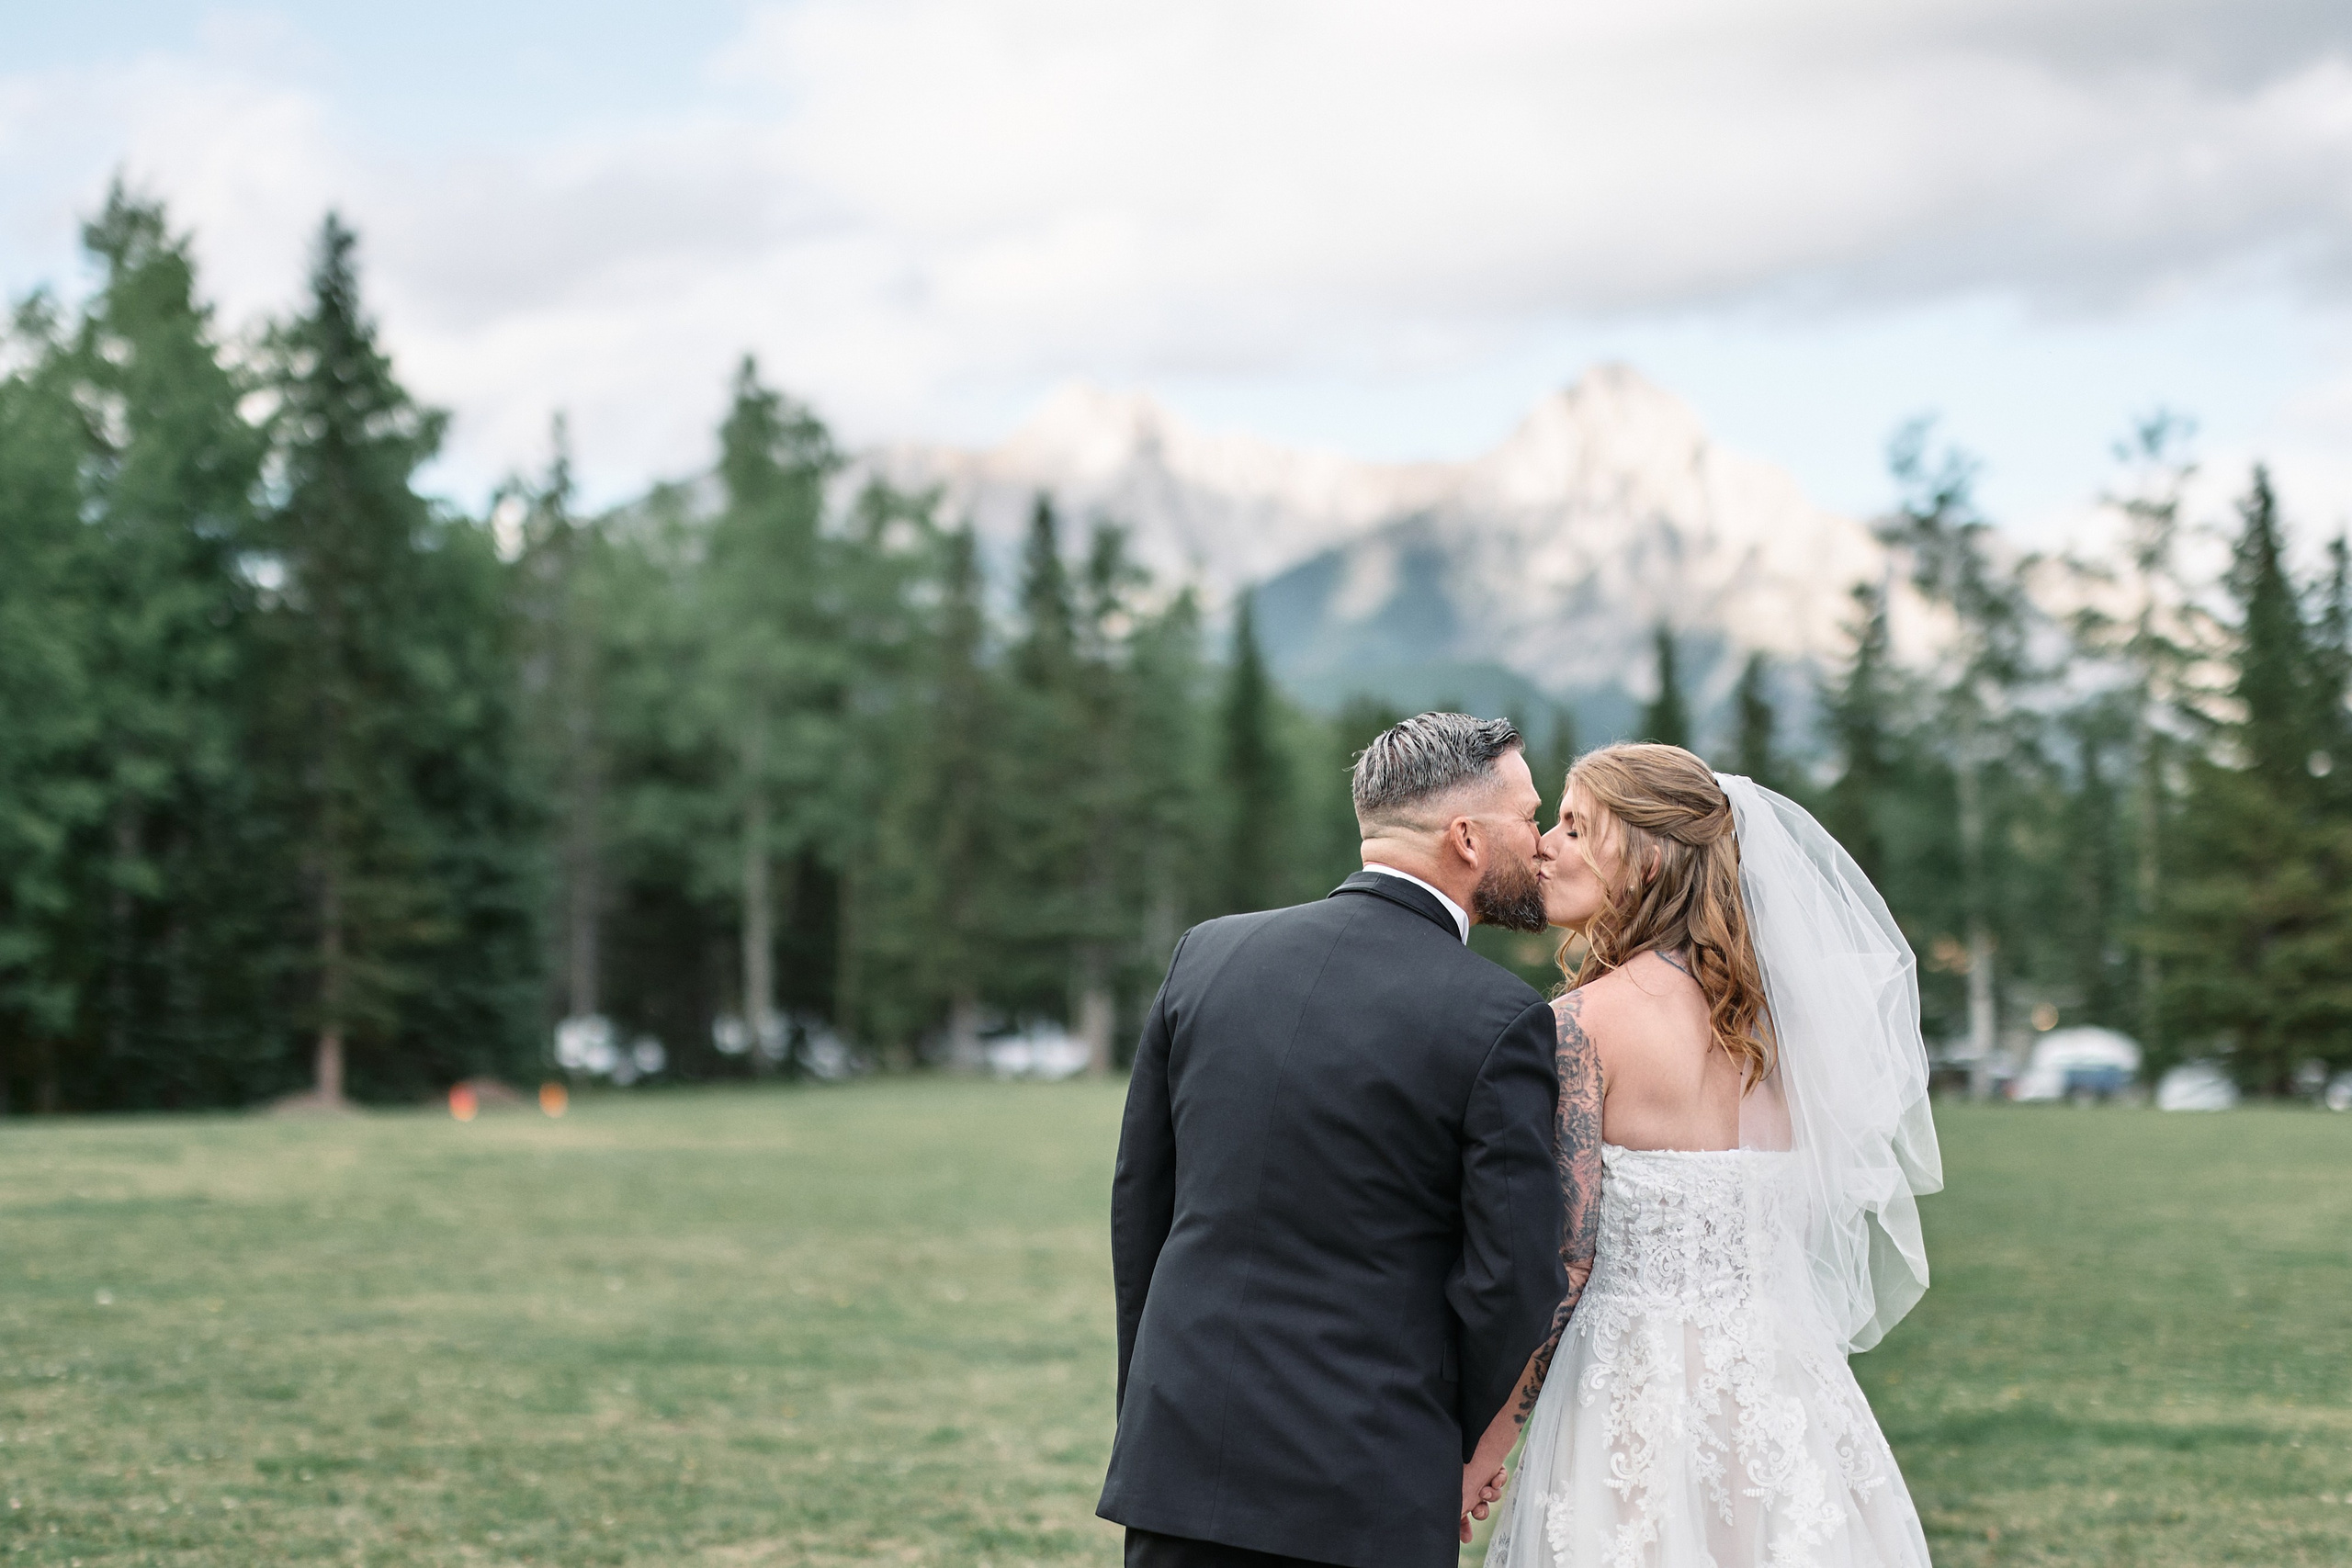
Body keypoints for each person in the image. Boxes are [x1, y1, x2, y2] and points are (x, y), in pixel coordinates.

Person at [1099, 713, 1600, 1568]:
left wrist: (1152, 1407)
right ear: (1468, 838)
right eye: (1529, 815)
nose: (1541, 841)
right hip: (1370, 1470)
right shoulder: (1496, 1016)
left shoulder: (1207, 956)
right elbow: (1513, 1274)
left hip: (1182, 1453)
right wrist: (1446, 1434)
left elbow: (1141, 1209)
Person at [1476, 742, 1942, 1568]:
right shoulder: (1782, 1028)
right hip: (1783, 1390)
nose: (1546, 842)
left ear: (1649, 857)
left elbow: (1567, 1263)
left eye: (1577, 827)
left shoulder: (1580, 1027)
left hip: (1629, 1396)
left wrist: (1490, 1441)